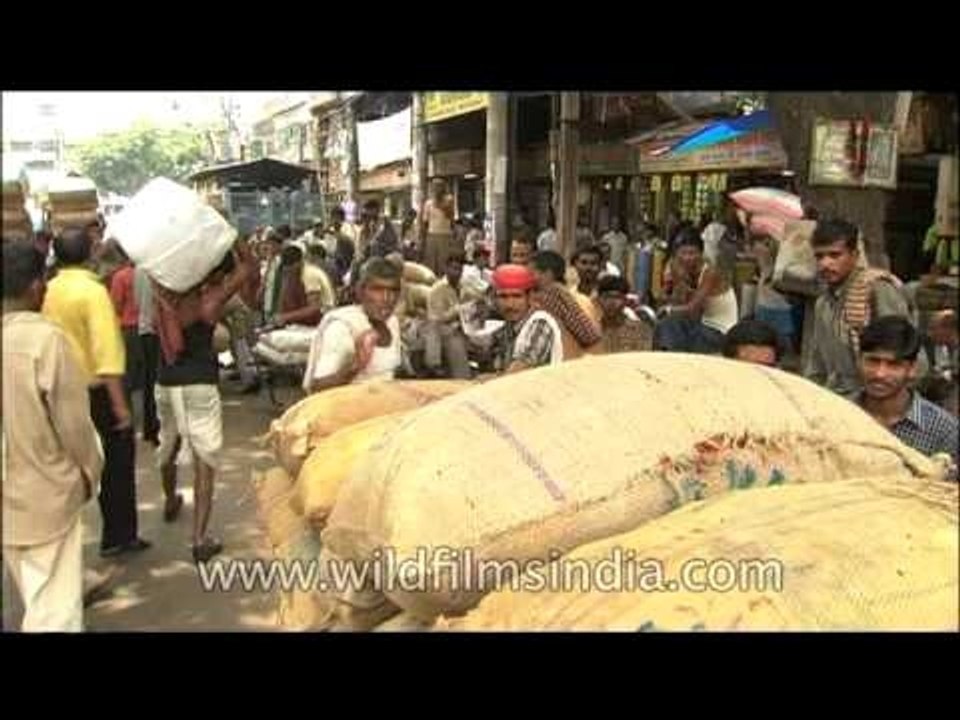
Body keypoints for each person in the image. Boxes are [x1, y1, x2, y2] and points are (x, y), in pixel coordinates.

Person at [3, 241, 105, 632]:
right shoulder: (45, 340)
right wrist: (87, 473)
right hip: (47, 491)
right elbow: (74, 425)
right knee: (55, 615)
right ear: (34, 287)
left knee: (37, 599)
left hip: (10, 502)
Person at [42, 226, 150, 559]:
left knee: (62, 467)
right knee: (118, 461)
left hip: (58, 390)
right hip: (97, 391)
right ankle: (119, 534)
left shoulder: (47, 291)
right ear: (89, 254)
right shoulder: (93, 293)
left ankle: (62, 546)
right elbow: (106, 355)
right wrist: (121, 408)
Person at [153, 239, 257, 563]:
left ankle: (170, 498)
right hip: (200, 383)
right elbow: (248, 268)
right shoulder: (211, 299)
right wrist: (230, 238)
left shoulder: (164, 291)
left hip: (166, 381)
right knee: (205, 461)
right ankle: (199, 539)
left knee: (167, 446)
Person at [804, 218, 914, 398]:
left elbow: (902, 349)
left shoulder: (876, 289)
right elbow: (817, 365)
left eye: (834, 255)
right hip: (837, 397)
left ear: (854, 256)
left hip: (876, 396)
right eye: (819, 256)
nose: (825, 264)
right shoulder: (823, 303)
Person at [855, 316, 958, 471]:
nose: (879, 374)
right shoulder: (832, 416)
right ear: (859, 361)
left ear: (912, 369)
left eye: (893, 365)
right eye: (872, 361)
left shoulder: (944, 430)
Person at [303, 257, 403, 393]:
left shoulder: (393, 322)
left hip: (384, 407)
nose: (386, 298)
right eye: (377, 289)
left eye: (393, 290)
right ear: (360, 291)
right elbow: (317, 388)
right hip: (349, 410)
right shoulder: (342, 327)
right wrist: (356, 365)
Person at [654, 227, 738, 354]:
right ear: (676, 254)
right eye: (683, 253)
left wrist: (668, 309)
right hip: (702, 323)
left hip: (719, 330)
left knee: (671, 325)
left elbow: (692, 309)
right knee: (666, 324)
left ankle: (673, 359)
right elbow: (676, 301)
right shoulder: (684, 270)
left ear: (701, 253)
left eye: (692, 253)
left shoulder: (710, 272)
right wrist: (679, 280)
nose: (688, 258)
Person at [489, 263, 563, 373]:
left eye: (517, 296)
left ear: (530, 297)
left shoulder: (539, 323)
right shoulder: (510, 326)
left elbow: (517, 374)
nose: (510, 304)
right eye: (503, 297)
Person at [531, 250, 603, 360]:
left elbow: (588, 334)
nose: (529, 276)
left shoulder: (555, 293)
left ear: (547, 273)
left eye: (532, 272)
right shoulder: (546, 293)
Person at [423, 253, 472, 379]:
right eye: (453, 268)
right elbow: (436, 319)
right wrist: (457, 310)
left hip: (465, 327)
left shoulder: (463, 286)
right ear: (446, 268)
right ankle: (462, 380)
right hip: (444, 331)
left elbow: (473, 301)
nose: (456, 272)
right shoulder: (437, 290)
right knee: (455, 342)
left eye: (459, 269)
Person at [133, 265, 161, 445]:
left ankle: (150, 428)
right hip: (158, 330)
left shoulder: (139, 269)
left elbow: (137, 300)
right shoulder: (159, 269)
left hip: (144, 329)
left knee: (148, 380)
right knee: (158, 380)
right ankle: (157, 427)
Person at [596, 275, 653, 354]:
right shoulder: (592, 330)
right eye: (607, 297)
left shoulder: (640, 331)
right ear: (598, 300)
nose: (611, 302)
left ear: (625, 300)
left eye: (617, 297)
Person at [421, 179, 455, 275]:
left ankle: (443, 279)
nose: (436, 188)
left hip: (445, 235)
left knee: (443, 261)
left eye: (439, 186)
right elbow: (425, 222)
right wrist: (423, 237)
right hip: (431, 235)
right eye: (434, 186)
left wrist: (439, 203)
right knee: (431, 261)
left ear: (443, 187)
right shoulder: (428, 203)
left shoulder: (449, 199)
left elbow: (450, 216)